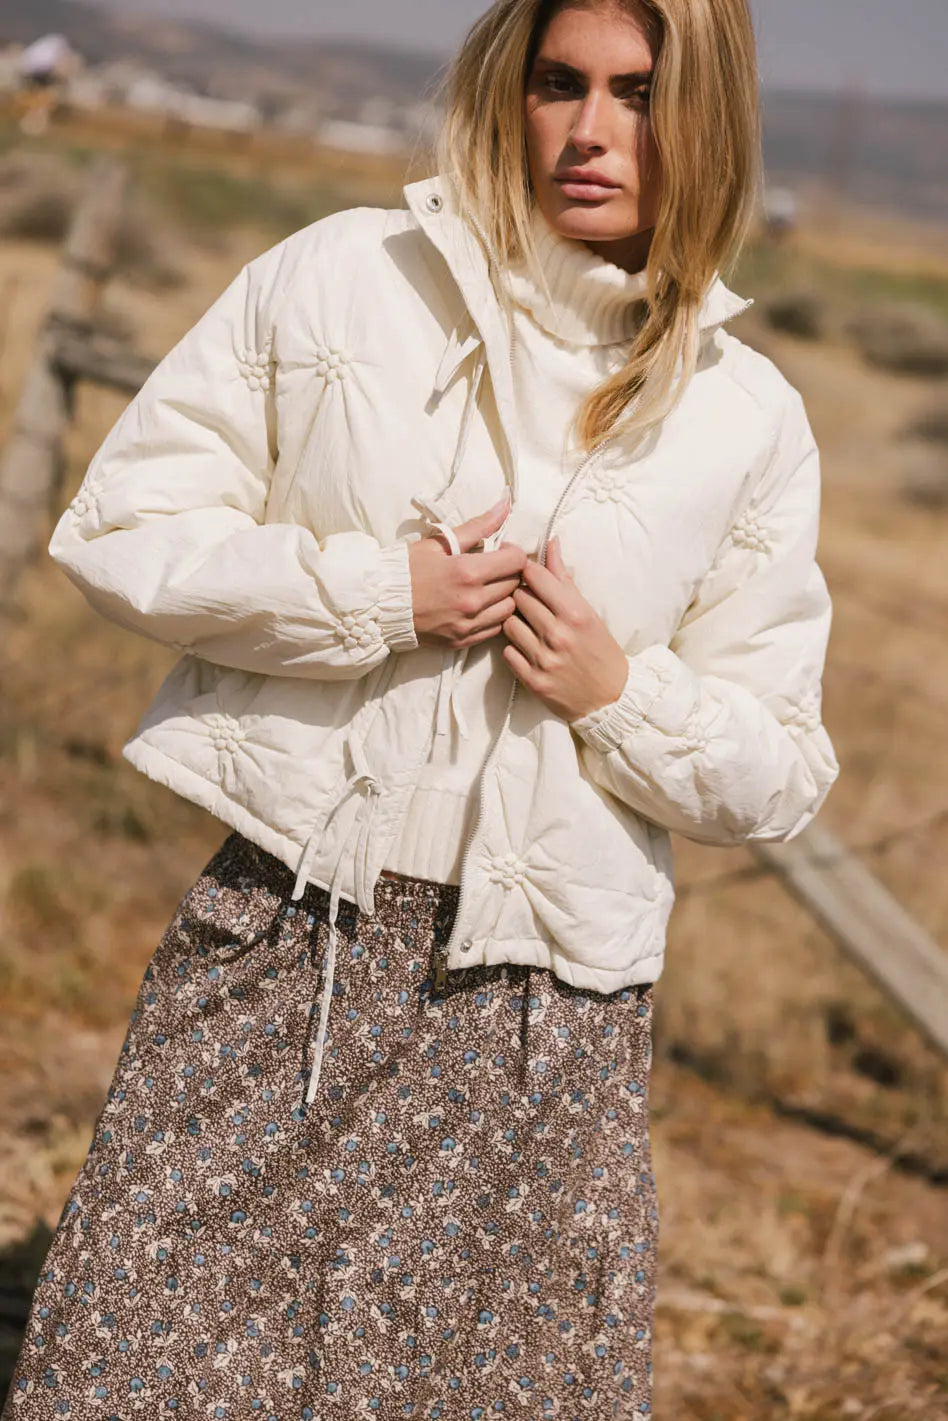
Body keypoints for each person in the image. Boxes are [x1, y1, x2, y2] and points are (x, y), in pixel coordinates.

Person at [2, 0, 839, 1416]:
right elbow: (122, 526)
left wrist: (619, 692)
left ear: (707, 118)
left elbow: (783, 769)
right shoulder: (345, 276)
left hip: (544, 1021)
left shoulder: (747, 417)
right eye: (560, 82)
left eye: (639, 93)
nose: (590, 131)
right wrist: (382, 594)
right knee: (133, 1370)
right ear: (510, 91)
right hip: (285, 942)